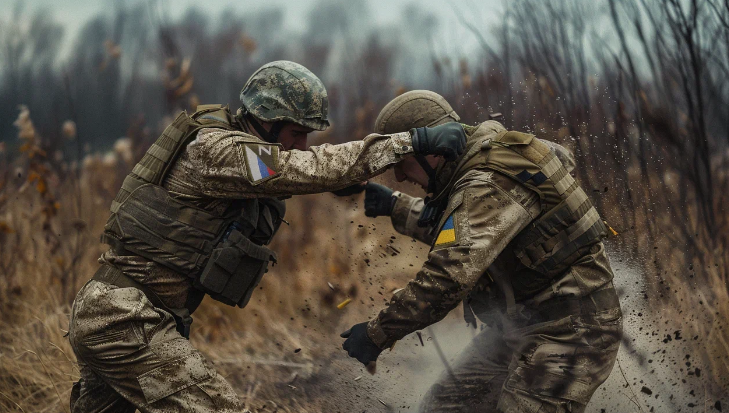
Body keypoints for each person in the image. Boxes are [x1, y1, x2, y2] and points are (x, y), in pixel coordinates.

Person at [67, 63, 467, 413]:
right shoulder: (215, 149)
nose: (300, 145)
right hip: (123, 320)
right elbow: (291, 168)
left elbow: (285, 170)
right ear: (265, 119)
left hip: (124, 315)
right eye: (295, 133)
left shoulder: (241, 157)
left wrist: (337, 183)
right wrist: (409, 143)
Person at [339, 90, 622, 413]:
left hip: (571, 332)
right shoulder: (483, 159)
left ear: (433, 151)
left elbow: (447, 278)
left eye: (402, 163)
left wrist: (377, 333)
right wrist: (392, 204)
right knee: (443, 408)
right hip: (520, 325)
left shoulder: (488, 182)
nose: (400, 175)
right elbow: (468, 230)